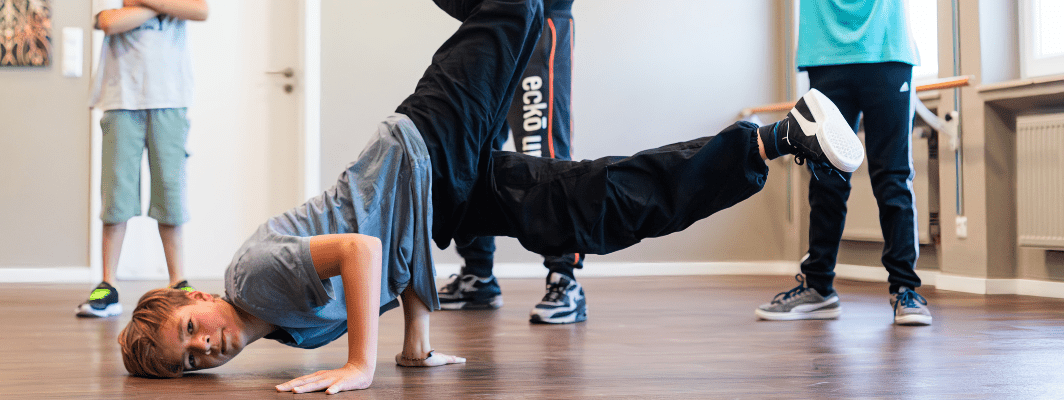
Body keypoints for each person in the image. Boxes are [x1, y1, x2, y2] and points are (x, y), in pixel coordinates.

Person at [118, 0, 865, 394]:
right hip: (442, 198)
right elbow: (393, 260)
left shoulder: (251, 279)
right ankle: (775, 141)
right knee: (588, 213)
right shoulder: (279, 333)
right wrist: (412, 350)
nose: (202, 346)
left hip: (420, 148)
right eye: (188, 361)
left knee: (513, 10)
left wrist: (362, 366)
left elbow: (363, 248)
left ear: (189, 295)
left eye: (186, 329)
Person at [754, 0, 932, 326]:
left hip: (886, 50)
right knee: (825, 177)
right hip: (826, 55)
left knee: (892, 175)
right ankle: (819, 287)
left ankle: (906, 289)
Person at [438, 0, 587, 325]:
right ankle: (478, 276)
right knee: (474, 150)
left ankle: (564, 279)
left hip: (541, 17)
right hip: (490, 23)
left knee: (541, 152)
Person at [76, 0, 209, 318]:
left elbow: (201, 11)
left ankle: (178, 281)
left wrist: (143, 5)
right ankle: (108, 285)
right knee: (116, 193)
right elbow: (108, 21)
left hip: (170, 99)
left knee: (170, 190)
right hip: (121, 101)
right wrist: (165, 8)